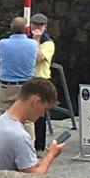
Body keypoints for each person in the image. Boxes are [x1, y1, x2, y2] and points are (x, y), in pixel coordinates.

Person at [0, 77, 65, 174]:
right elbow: (35, 176)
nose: (42, 115)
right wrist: (51, 155)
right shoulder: (20, 137)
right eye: (44, 109)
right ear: (36, 101)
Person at [0, 16, 42, 139]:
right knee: (27, 120)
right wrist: (37, 39)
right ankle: (30, 151)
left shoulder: (2, 43)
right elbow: (39, 58)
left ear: (11, 28)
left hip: (6, 86)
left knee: (1, 116)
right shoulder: (32, 44)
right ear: (26, 29)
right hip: (26, 86)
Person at [28, 13, 56, 152]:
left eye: (40, 26)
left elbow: (38, 58)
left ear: (45, 27)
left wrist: (36, 41)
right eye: (34, 25)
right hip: (28, 78)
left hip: (41, 79)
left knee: (39, 114)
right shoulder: (26, 39)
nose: (36, 28)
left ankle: (39, 146)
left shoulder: (48, 43)